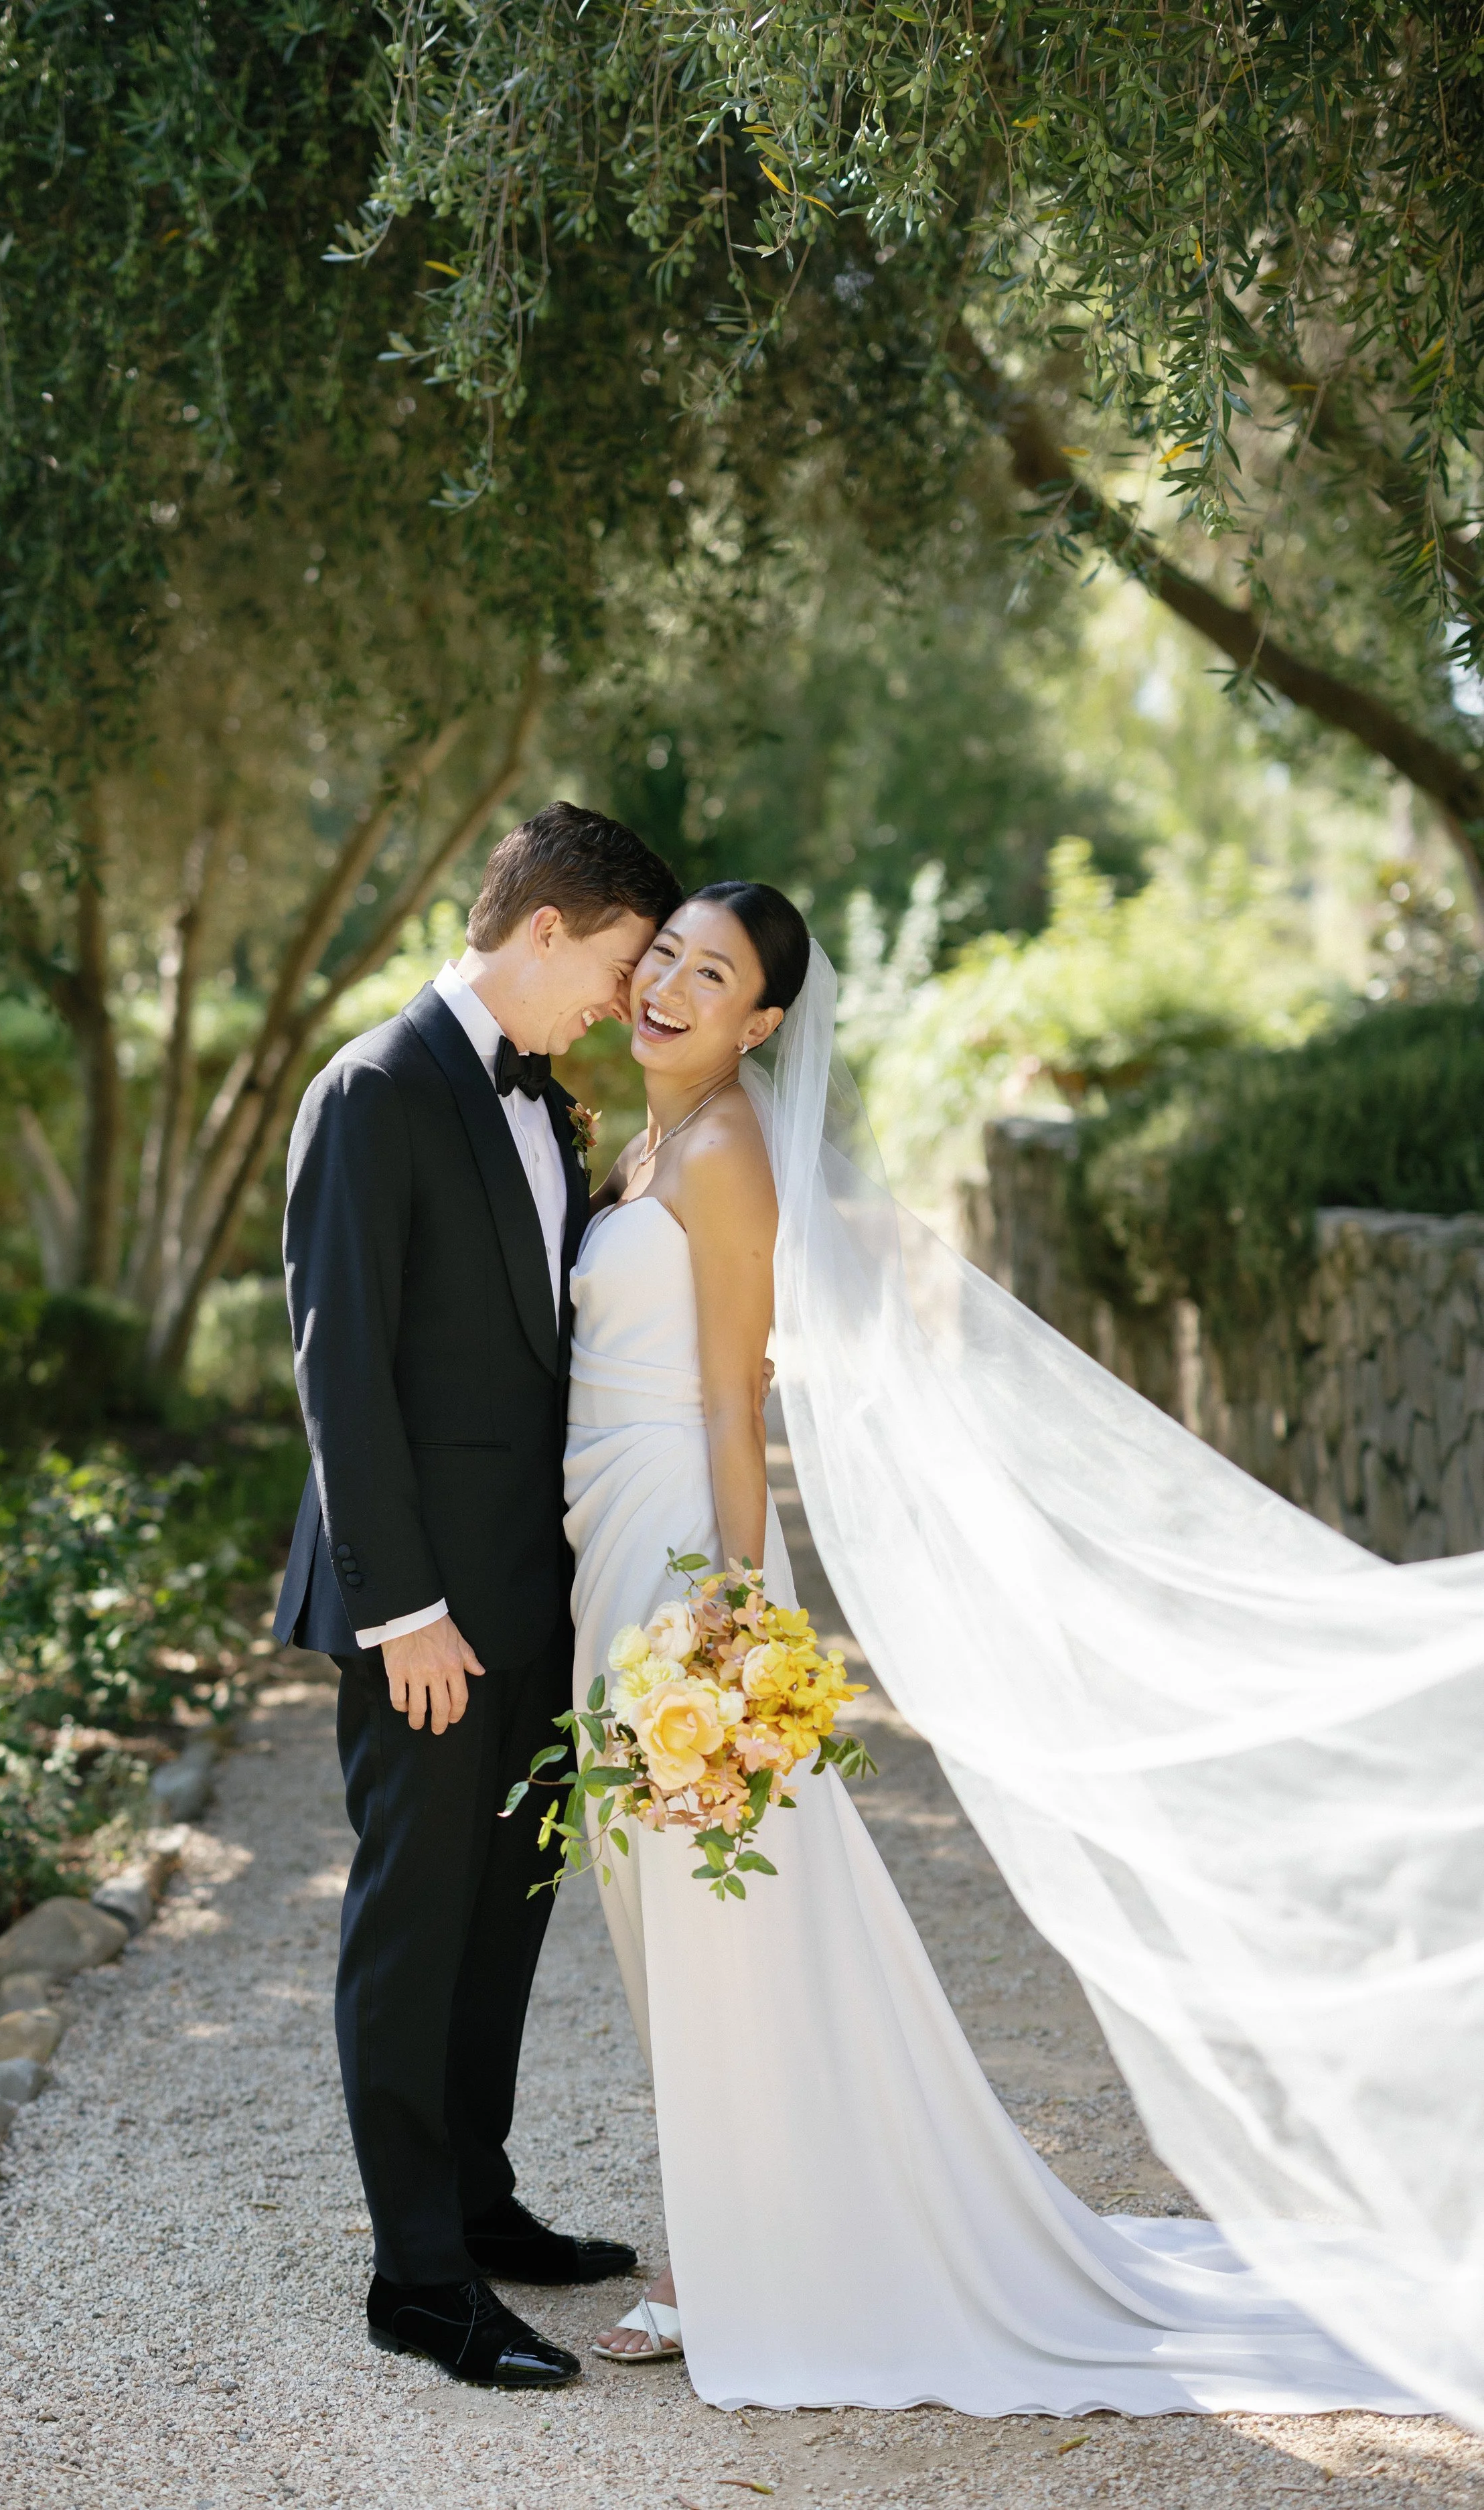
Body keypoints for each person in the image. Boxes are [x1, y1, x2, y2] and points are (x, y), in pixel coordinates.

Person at [564, 880, 1465, 2419]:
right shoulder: (649, 1139)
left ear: (759, 1021)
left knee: (723, 1911)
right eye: (661, 956)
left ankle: (740, 2269)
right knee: (657, 1899)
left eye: (706, 975)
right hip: (606, 1534)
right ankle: (756, 2232)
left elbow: (732, 1398)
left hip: (673, 1555)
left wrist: (726, 1607)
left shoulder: (720, 1158)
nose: (664, 984)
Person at [277, 801, 682, 2390]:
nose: (623, 998)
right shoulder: (371, 1089)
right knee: (410, 1925)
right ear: (541, 932)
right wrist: (402, 1610)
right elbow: (340, 1377)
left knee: (503, 1923)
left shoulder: (551, 1103)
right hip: (426, 1614)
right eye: (619, 963)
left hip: (537, 1595)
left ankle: (483, 2200)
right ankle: (417, 2278)